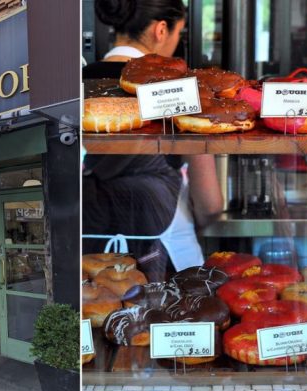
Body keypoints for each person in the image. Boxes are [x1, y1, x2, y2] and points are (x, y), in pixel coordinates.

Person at [83, 0, 223, 282]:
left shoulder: (77, 82)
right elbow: (210, 205)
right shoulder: (179, 91)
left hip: (90, 256)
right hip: (167, 257)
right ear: (161, 30)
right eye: (178, 33)